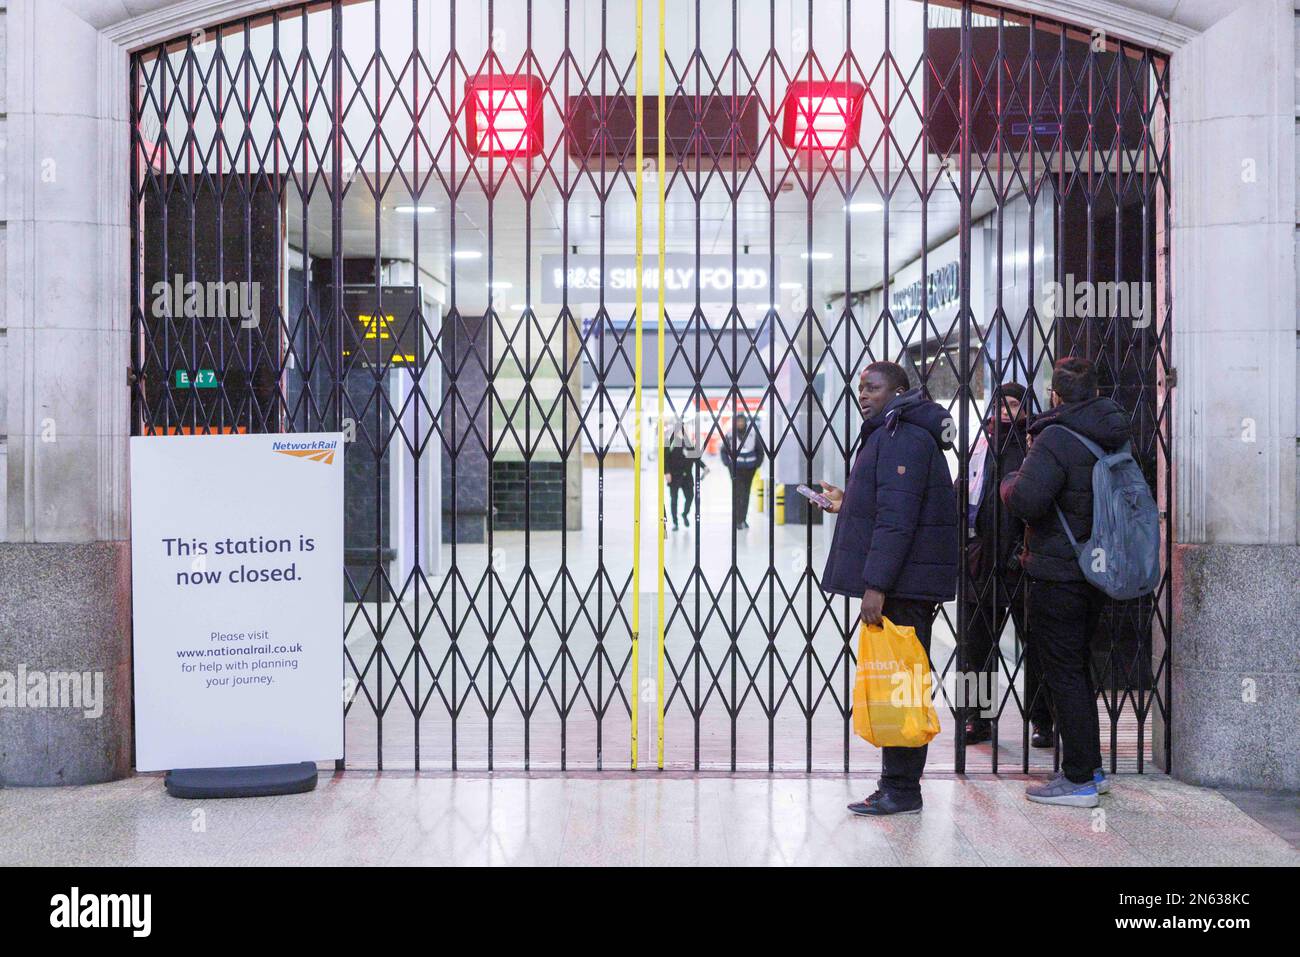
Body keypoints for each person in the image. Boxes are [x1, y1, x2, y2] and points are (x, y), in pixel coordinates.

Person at [817, 362, 959, 816]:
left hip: (903, 586)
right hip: (905, 581)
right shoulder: (893, 433)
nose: (864, 394)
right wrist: (848, 500)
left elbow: (897, 521)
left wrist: (875, 586)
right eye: (860, 387)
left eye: (873, 387)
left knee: (902, 684)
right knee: (899, 681)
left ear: (899, 390)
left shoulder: (905, 437)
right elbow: (887, 503)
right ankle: (895, 784)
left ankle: (902, 789)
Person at [1000, 356, 1131, 808]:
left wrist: (1010, 481)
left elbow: (1027, 500)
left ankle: (1078, 779)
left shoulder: (1055, 437)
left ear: (1055, 394)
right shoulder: (1113, 432)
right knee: (1078, 669)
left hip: (1059, 571)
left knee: (1063, 673)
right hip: (1097, 568)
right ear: (1094, 391)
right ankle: (1090, 768)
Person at [958, 382, 1053, 748]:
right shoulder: (979, 445)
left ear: (1027, 410)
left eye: (1013, 404)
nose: (1004, 411)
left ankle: (1043, 720)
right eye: (999, 403)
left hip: (1021, 562)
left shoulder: (1034, 446)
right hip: (981, 563)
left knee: (1037, 645)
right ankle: (975, 720)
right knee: (975, 646)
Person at [720, 412, 763, 530]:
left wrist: (756, 465)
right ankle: (737, 520)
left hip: (749, 469)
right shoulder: (730, 434)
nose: (740, 423)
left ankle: (743, 519)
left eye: (742, 421)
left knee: (746, 494)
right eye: (738, 421)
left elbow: (760, 450)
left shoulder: (753, 433)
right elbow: (723, 450)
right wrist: (727, 463)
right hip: (735, 469)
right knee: (737, 494)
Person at [663, 420, 705, 530]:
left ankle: (685, 514)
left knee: (690, 497)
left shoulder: (687, 443)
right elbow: (664, 459)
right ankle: (675, 523)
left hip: (687, 477)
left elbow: (695, 457)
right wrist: (666, 472)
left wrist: (704, 467)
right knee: (674, 500)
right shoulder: (670, 443)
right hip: (674, 476)